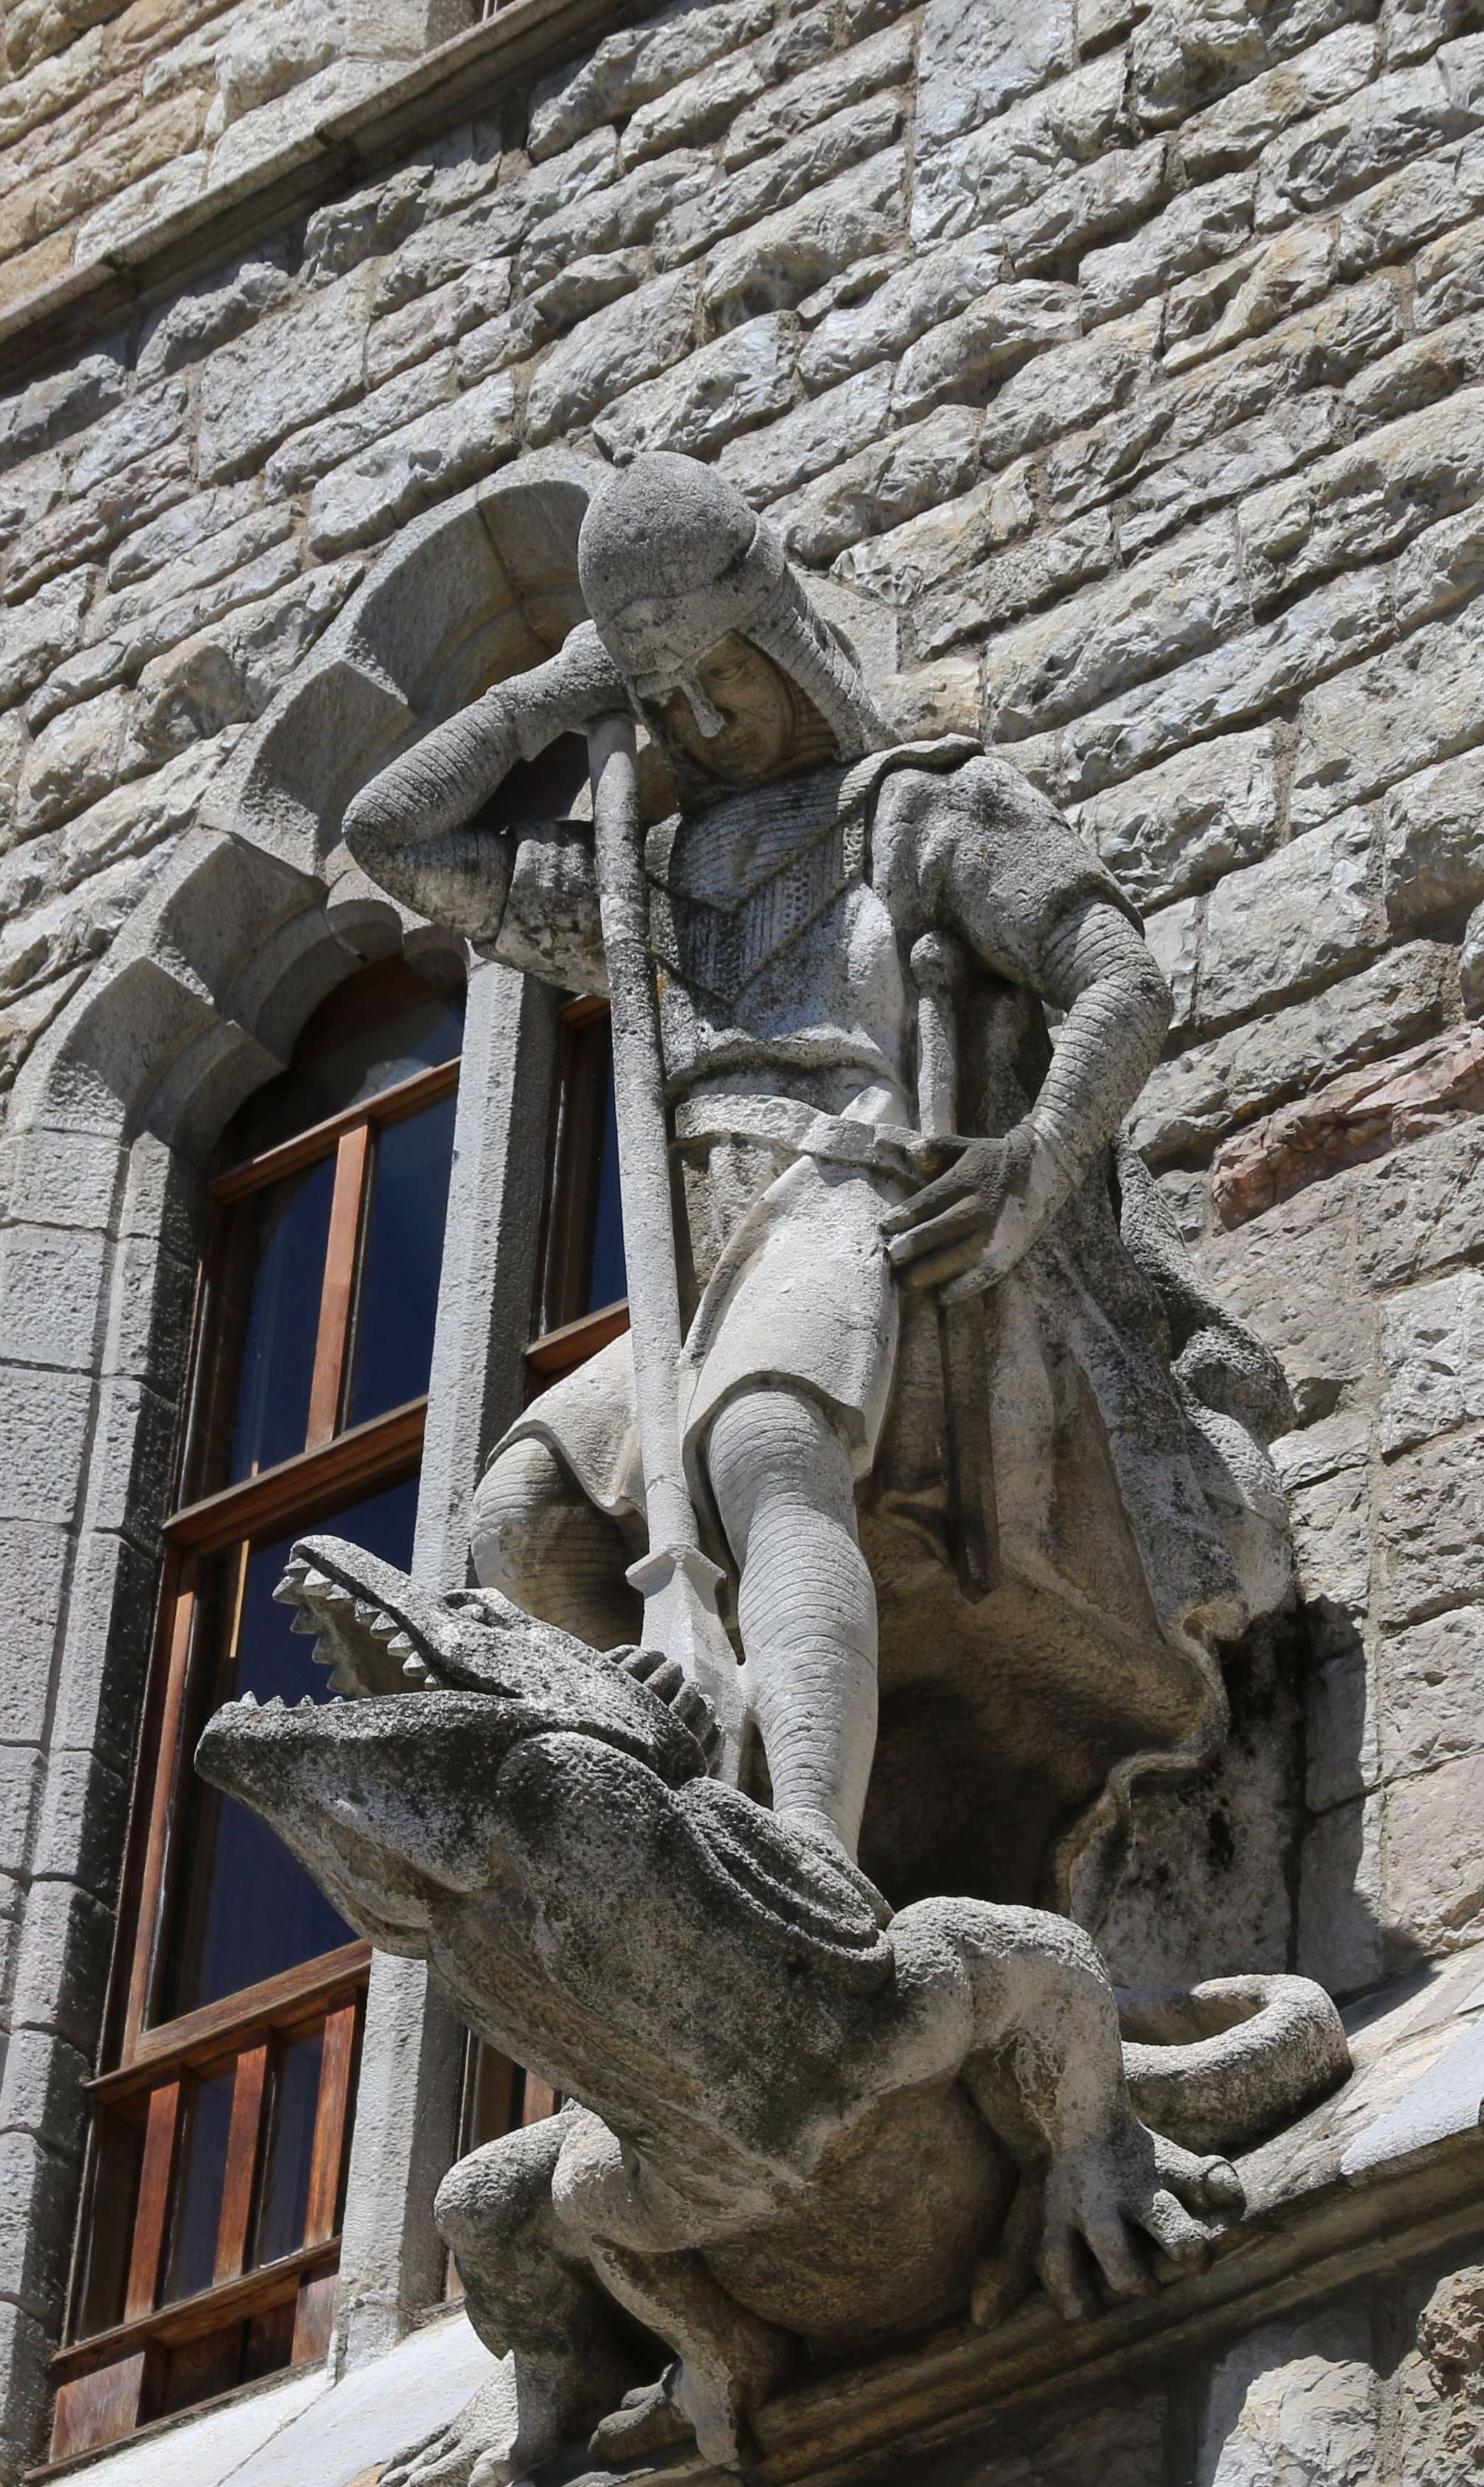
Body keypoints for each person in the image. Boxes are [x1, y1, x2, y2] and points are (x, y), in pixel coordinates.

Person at [343, 452, 1282, 1885]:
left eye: (722, 674)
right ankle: (701, 1807)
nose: (702, 720)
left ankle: (809, 1855)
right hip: (714, 1264)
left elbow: (1117, 980)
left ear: (783, 641)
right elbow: (391, 837)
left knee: (766, 1441)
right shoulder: (641, 883)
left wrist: (1032, 1164)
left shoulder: (922, 809)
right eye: (665, 699)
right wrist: (555, 692)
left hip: (856, 1198)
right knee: (521, 1524)